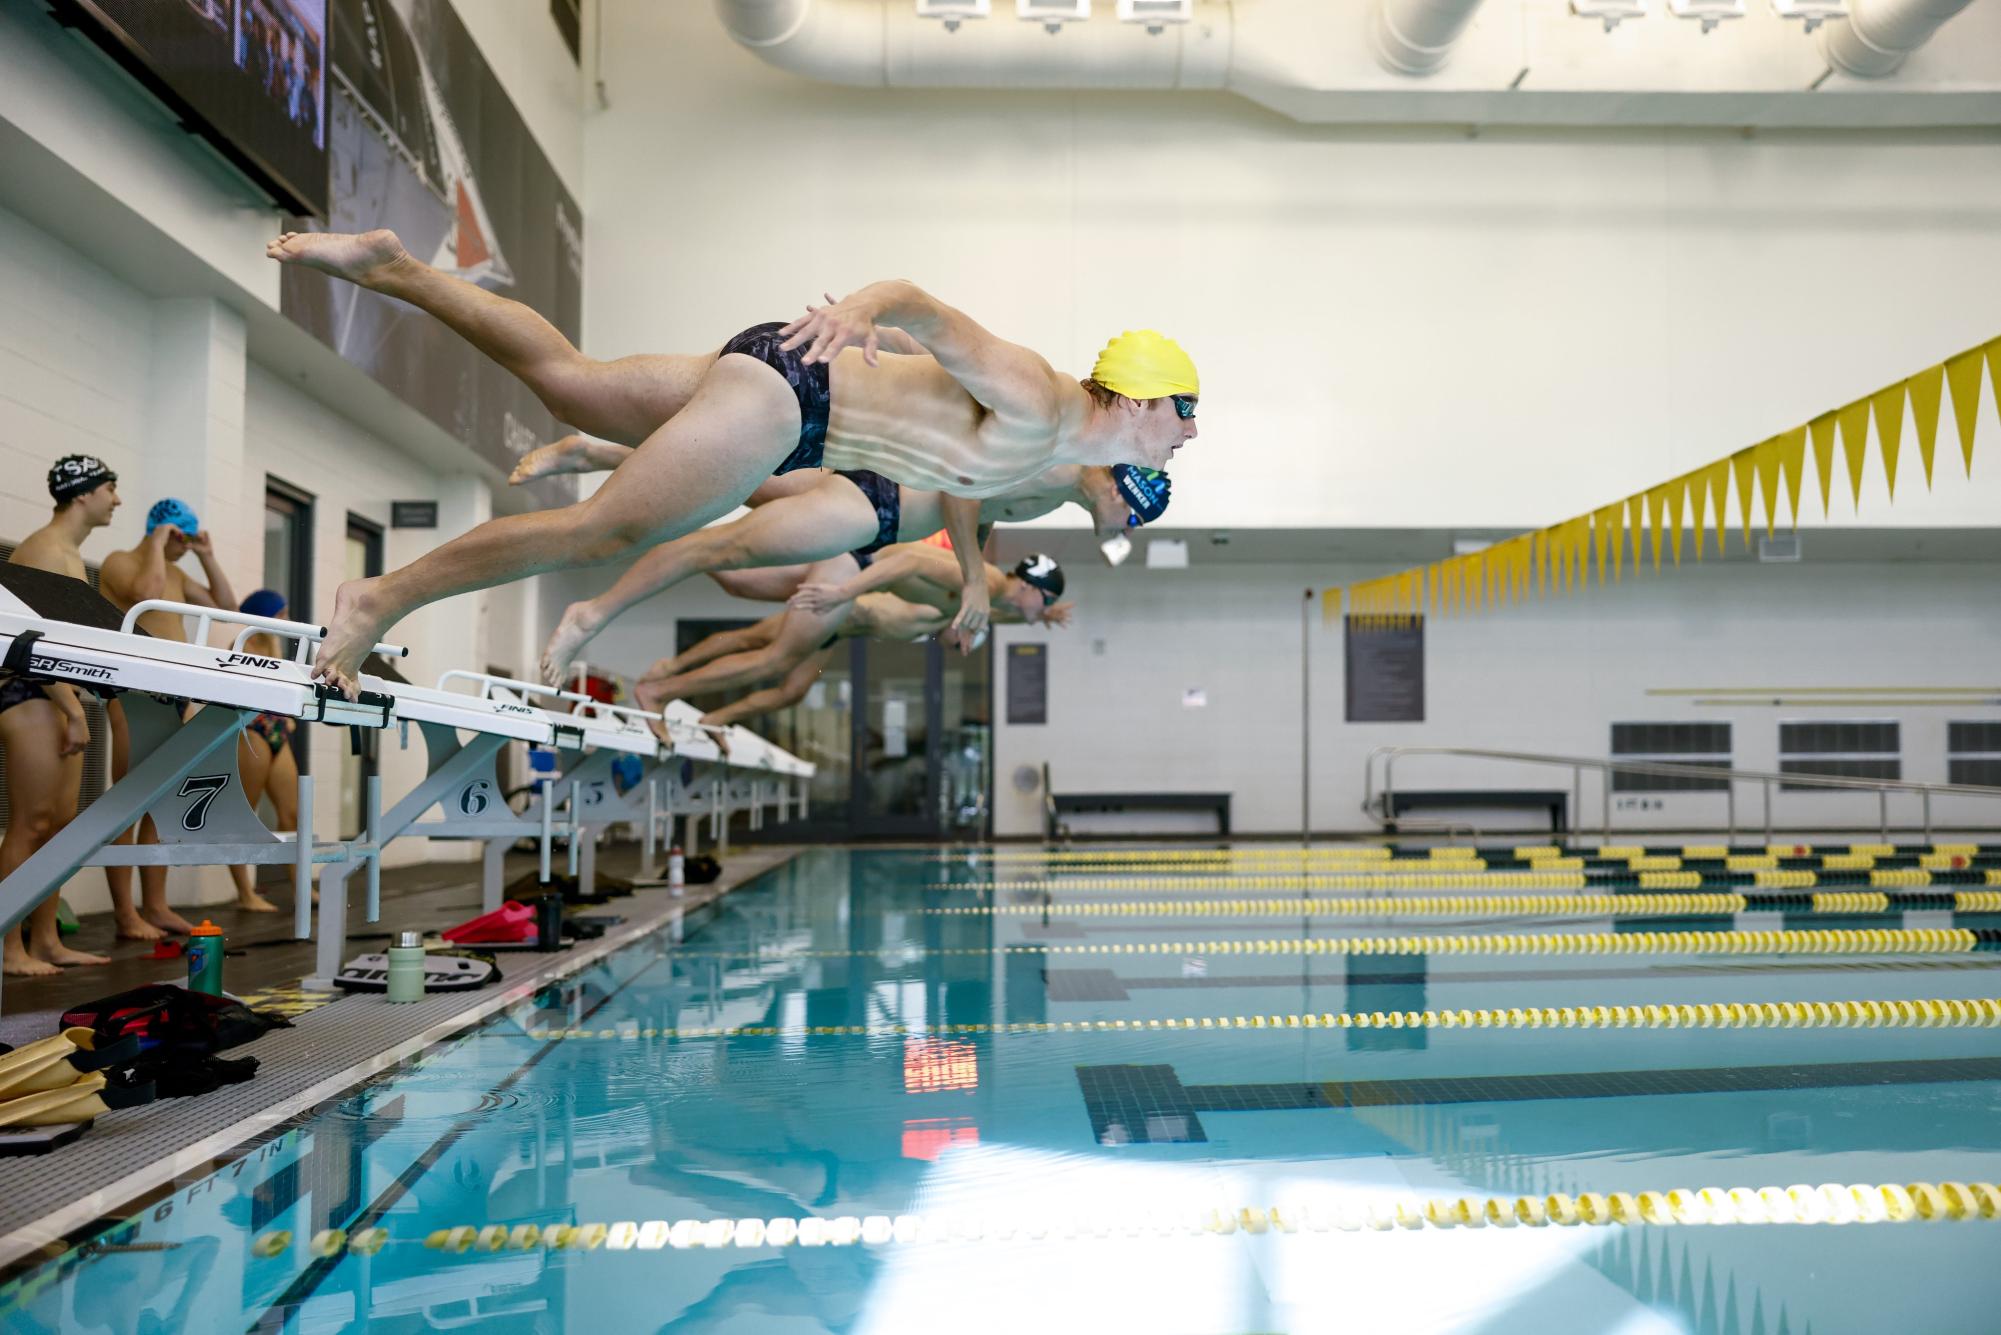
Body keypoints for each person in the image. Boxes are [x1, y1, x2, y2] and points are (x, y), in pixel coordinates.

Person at [264, 229, 1197, 697]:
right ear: (1145, 398)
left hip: (789, 395)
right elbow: (920, 303)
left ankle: (398, 269)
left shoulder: (1047, 459)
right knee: (606, 530)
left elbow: (957, 489)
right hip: (798, 397)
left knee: (570, 383)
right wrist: (861, 312)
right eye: (1185, 416)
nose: (1187, 437)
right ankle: (377, 600)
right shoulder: (1037, 398)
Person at [519, 437, 1168, 685]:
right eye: (1130, 519)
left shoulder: (1058, 483)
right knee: (719, 549)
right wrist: (972, 577)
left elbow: (982, 502)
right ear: (1118, 490)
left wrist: (1014, 605)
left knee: (734, 474)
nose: (1123, 531)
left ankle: (598, 451)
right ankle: (595, 615)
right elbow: (958, 491)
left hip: (871, 492)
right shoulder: (1056, 467)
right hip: (873, 509)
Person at [633, 552, 1070, 721]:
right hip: (842, 593)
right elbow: (911, 561)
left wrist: (1042, 618)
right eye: (1043, 602)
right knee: (758, 642)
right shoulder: (983, 582)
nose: (964, 646)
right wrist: (845, 590)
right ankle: (665, 682)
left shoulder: (977, 602)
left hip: (835, 626)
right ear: (1031, 587)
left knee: (789, 689)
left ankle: (712, 718)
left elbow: (994, 616)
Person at [0, 457, 123, 976]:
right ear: (82, 494)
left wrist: (75, 705)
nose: (116, 499)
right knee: (30, 823)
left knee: (60, 829)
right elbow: (31, 646)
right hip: (29, 694)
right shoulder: (45, 551)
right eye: (111, 488)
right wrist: (73, 709)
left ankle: (46, 939)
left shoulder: (68, 552)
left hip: (59, 697)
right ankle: (8, 948)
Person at [96, 499, 240, 937]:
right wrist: (158, 539)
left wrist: (207, 555)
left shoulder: (178, 572)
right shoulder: (120, 562)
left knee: (160, 806)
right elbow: (146, 593)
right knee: (128, 802)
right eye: (181, 536)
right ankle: (125, 914)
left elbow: (227, 607)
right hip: (133, 693)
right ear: (162, 530)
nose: (184, 545)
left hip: (173, 695)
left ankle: (155, 906)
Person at [222, 590, 301, 913]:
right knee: (244, 814)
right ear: (262, 617)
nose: (283, 620)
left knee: (293, 812)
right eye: (278, 614)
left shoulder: (274, 645)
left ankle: (300, 887)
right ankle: (245, 892)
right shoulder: (240, 648)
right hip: (250, 730)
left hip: (277, 730)